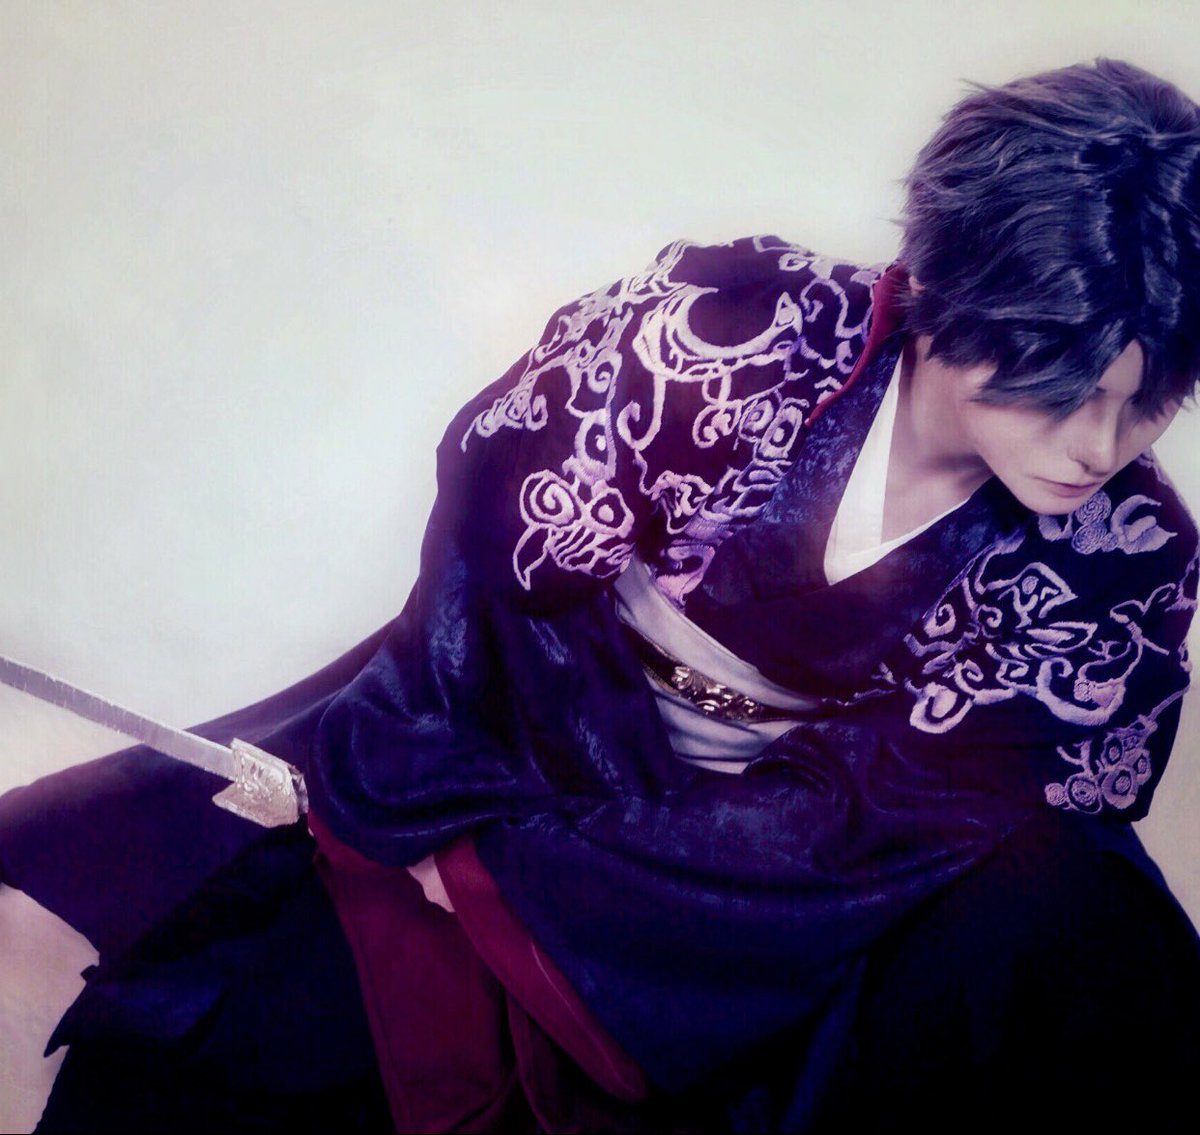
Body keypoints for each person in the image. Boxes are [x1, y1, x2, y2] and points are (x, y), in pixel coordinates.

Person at [2, 57, 1199, 1133]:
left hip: (788, 894)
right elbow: (501, 552)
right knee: (244, 1043)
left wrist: (563, 878)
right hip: (544, 731)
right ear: (948, 289)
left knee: (1073, 913)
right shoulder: (731, 343)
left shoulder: (1127, 557)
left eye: (1148, 402)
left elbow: (895, 822)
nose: (1098, 446)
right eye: (1060, 385)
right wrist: (491, 827)